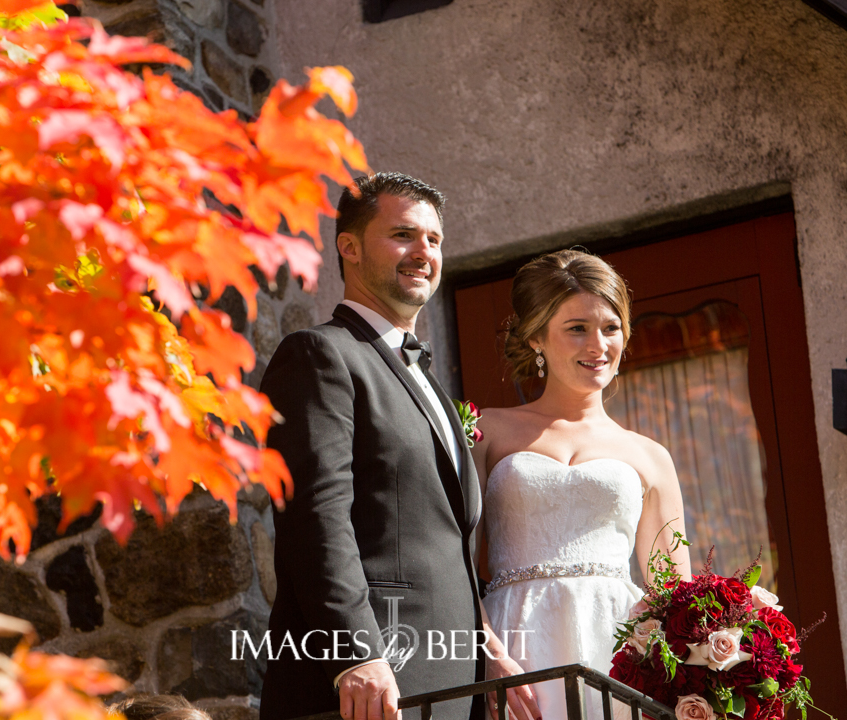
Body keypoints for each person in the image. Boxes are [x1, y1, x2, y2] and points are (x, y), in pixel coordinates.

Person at [259, 173, 534, 720]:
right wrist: (353, 654)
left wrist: (484, 647)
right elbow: (315, 518)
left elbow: (441, 543)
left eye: (434, 240)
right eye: (404, 235)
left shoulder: (427, 380)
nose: (424, 253)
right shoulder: (320, 356)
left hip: (452, 684)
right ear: (350, 247)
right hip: (367, 688)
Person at [472, 249, 692, 720]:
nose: (598, 345)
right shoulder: (485, 431)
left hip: (618, 650)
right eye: (577, 328)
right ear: (535, 338)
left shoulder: (650, 456)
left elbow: (673, 591)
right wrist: (487, 651)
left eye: (611, 328)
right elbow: (453, 559)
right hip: (514, 642)